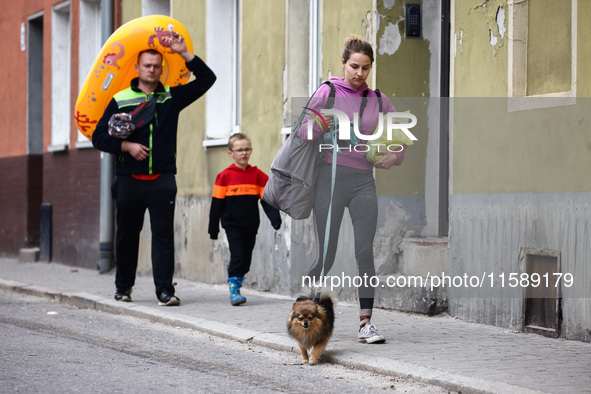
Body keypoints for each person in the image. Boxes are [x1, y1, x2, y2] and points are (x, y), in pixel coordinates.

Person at [92, 31, 216, 306]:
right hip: (128, 179)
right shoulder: (120, 99)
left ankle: (165, 291)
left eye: (156, 66)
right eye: (146, 65)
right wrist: (125, 147)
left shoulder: (171, 97)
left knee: (163, 236)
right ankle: (123, 287)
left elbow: (208, 79)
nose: (151, 70)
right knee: (126, 236)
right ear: (136, 68)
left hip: (162, 179)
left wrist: (184, 53)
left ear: (162, 69)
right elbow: (98, 136)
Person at [300, 36, 407, 343]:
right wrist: (326, 118)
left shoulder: (378, 99)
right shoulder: (328, 91)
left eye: (366, 68)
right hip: (329, 179)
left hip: (363, 181)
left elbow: (400, 137)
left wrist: (394, 156)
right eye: (355, 66)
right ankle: (309, 313)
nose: (360, 74)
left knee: (364, 252)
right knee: (327, 255)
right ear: (343, 63)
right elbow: (304, 132)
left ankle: (365, 324)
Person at [208, 133, 282, 305]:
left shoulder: (257, 175)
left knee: (246, 259)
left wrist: (275, 219)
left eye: (247, 149)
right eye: (239, 150)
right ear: (230, 153)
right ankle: (234, 289)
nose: (243, 153)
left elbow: (268, 200)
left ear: (251, 150)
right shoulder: (224, 176)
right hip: (232, 225)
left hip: (251, 225)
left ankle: (238, 282)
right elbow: (216, 205)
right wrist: (213, 228)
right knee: (238, 255)